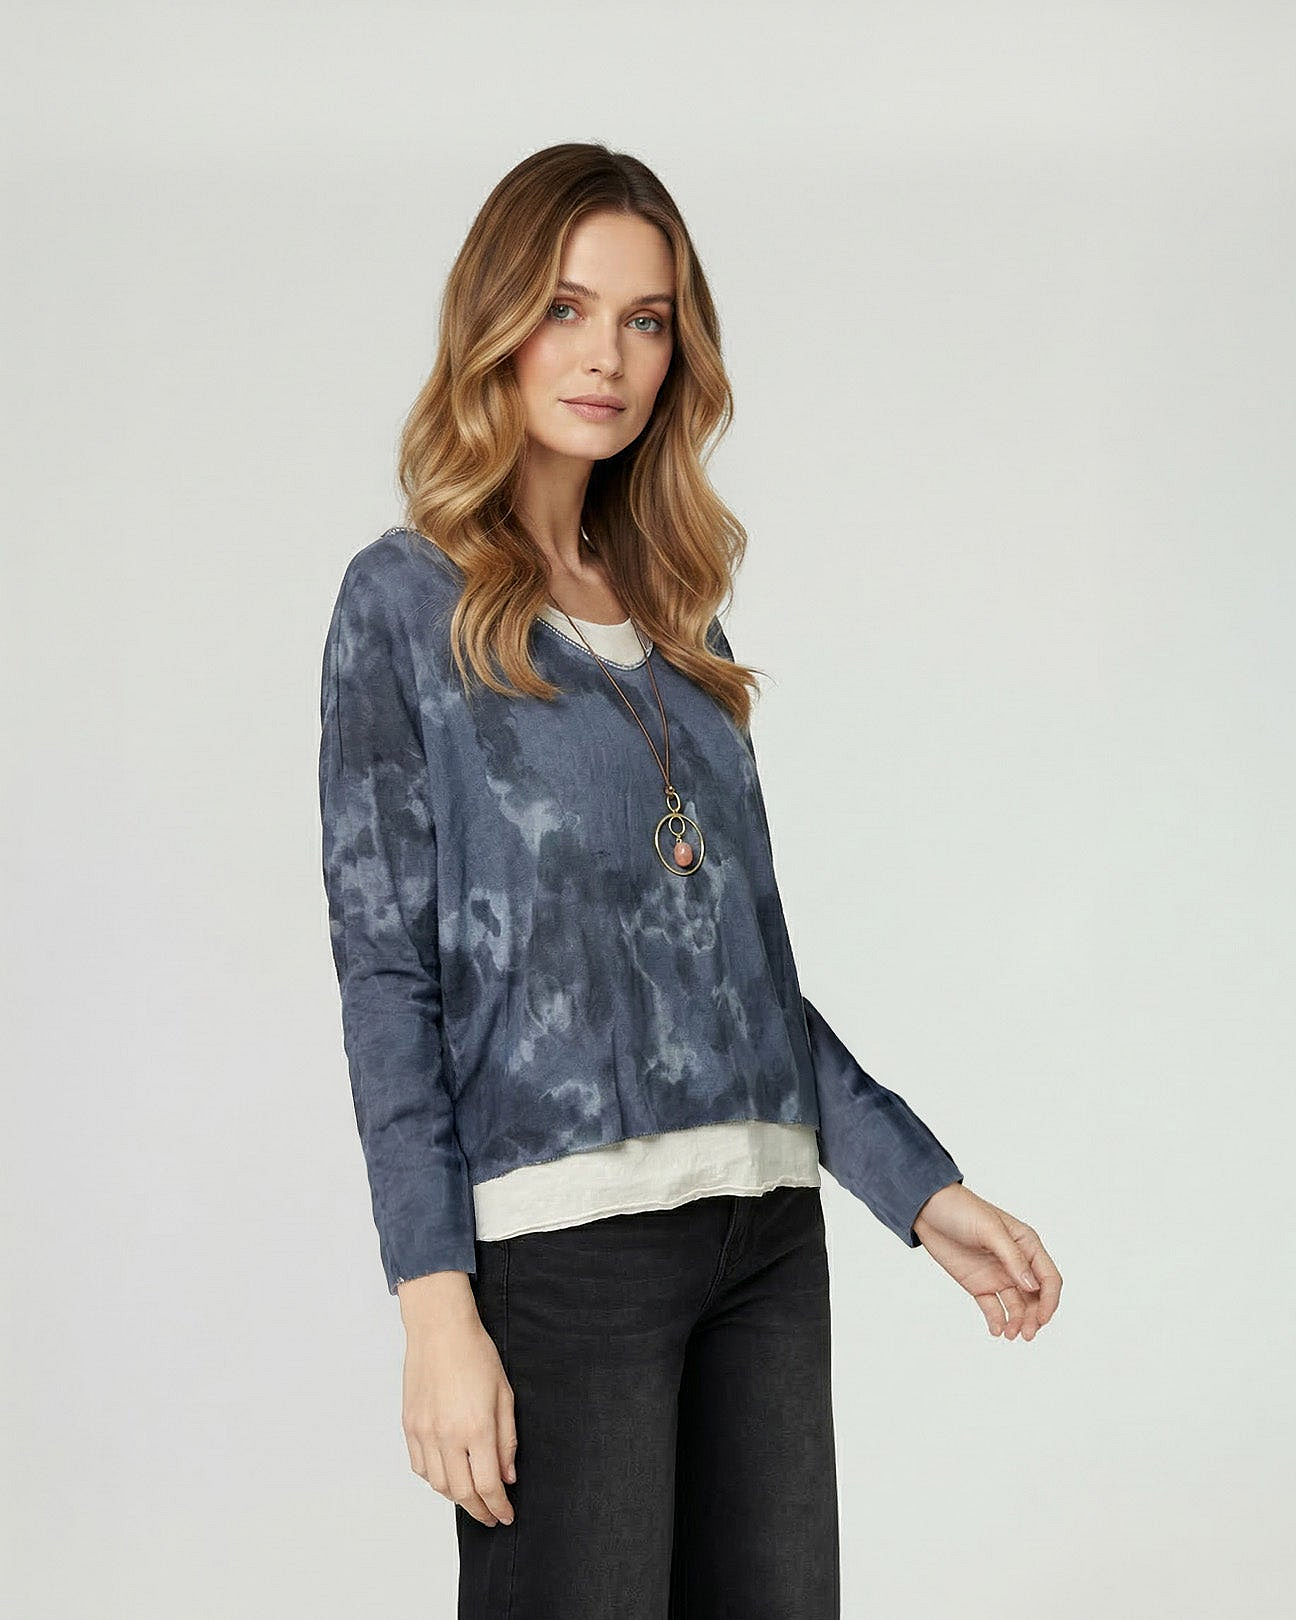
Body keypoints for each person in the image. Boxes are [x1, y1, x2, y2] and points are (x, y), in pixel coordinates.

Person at [318, 142, 1061, 1620]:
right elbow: (389, 979)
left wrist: (918, 1189)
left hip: (764, 1236)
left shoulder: (679, 611)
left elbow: (746, 977)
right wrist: (433, 1302)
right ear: (494, 322)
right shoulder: (404, 605)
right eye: (566, 308)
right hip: (565, 1254)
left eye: (644, 319)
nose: (606, 355)